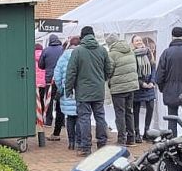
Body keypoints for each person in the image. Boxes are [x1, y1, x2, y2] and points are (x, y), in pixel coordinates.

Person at [67, 26, 113, 157]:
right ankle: (102, 144)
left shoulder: (77, 51)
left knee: (84, 118)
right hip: (98, 90)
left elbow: (71, 72)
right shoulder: (102, 50)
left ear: (82, 37)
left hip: (83, 92)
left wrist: (69, 89)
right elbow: (108, 70)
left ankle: (85, 147)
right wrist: (101, 79)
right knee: (100, 117)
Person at [107, 34, 140, 146]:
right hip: (131, 87)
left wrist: (109, 80)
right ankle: (131, 138)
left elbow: (108, 70)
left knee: (120, 113)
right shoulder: (130, 50)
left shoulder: (112, 54)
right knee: (129, 112)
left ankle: (121, 139)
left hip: (118, 88)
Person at [55, 36, 80, 150]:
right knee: (80, 116)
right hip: (80, 89)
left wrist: (60, 88)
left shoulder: (63, 56)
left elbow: (57, 74)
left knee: (70, 117)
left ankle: (71, 142)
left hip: (67, 90)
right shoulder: (82, 54)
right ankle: (79, 142)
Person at [132, 34, 157, 144]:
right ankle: (137, 132)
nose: (139, 42)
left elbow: (153, 68)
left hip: (149, 85)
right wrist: (142, 83)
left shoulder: (148, 53)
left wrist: (152, 81)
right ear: (132, 43)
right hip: (138, 86)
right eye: (136, 40)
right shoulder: (132, 55)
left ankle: (147, 131)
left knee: (150, 107)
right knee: (136, 110)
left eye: (140, 40)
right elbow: (132, 71)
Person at [38, 34, 65, 133]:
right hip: (61, 79)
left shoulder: (46, 50)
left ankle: (48, 121)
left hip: (49, 79)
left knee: (48, 100)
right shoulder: (62, 49)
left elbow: (41, 65)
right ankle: (61, 122)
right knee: (60, 101)